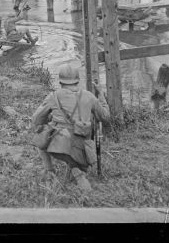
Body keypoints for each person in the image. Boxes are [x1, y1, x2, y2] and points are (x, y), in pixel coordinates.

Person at [31, 64, 110, 192]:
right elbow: (105, 117)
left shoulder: (53, 96)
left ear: (60, 81)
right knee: (71, 140)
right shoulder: (89, 96)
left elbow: (36, 119)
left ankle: (50, 170)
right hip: (83, 147)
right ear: (78, 80)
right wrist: (100, 94)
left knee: (42, 134)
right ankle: (76, 170)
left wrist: (49, 120)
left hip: (59, 146)